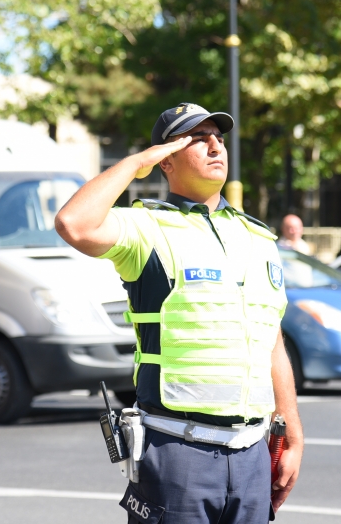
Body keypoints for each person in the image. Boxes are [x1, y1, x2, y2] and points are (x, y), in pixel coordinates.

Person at [56, 103, 303, 523]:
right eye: (196, 139)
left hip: (252, 455)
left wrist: (291, 429)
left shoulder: (257, 236)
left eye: (219, 138)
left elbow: (270, 338)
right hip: (177, 452)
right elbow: (74, 223)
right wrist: (139, 162)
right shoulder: (146, 227)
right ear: (165, 158)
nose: (214, 146)